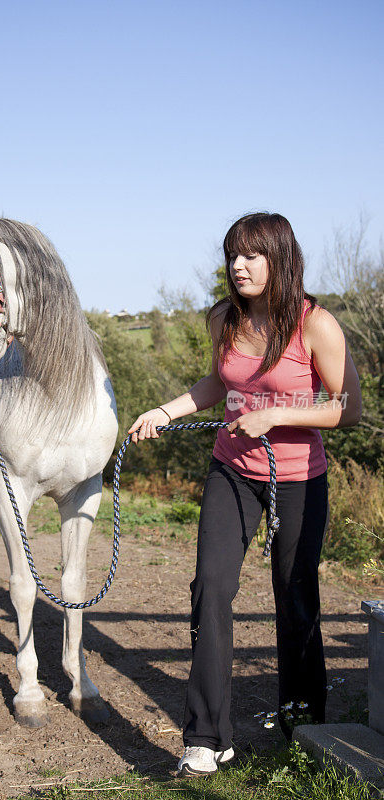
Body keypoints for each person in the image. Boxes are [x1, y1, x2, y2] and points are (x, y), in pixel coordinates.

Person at [128, 212, 362, 778]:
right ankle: (208, 737)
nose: (238, 265)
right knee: (211, 586)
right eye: (232, 254)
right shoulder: (223, 320)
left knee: (295, 594)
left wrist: (277, 414)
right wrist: (165, 410)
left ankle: (303, 719)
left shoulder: (316, 325)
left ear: (279, 258)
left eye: (251, 254)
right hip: (231, 472)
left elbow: (347, 408)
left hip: (298, 477)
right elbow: (218, 383)